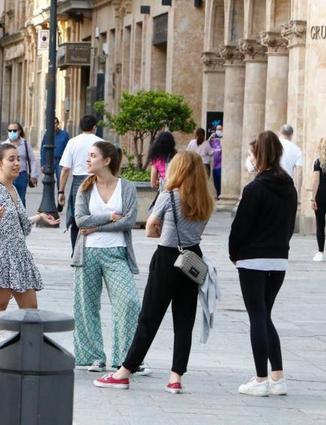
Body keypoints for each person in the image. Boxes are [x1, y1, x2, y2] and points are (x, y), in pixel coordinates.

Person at [94, 151, 214, 394]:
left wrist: (161, 231)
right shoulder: (205, 200)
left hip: (167, 258)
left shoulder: (169, 195)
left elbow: (150, 227)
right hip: (192, 259)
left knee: (149, 318)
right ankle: (175, 377)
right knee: (184, 321)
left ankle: (124, 371)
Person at [229, 130, 297, 397]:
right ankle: (277, 376)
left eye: (251, 154)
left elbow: (241, 227)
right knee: (265, 315)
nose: (249, 158)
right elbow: (289, 224)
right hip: (278, 259)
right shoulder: (289, 186)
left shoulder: (254, 188)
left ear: (259, 155)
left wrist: (234, 253)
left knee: (257, 315)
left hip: (253, 259)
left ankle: (260, 379)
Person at [70, 141, 141, 373]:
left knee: (129, 302)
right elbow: (80, 221)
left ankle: (125, 358)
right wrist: (110, 217)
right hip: (87, 252)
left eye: (92, 156)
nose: (88, 160)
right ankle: (92, 356)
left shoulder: (127, 187)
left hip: (117, 253)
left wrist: (98, 226)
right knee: (86, 306)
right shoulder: (84, 187)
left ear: (107, 160)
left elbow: (129, 221)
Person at [0, 144, 58, 347]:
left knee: (30, 310)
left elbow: (22, 227)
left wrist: (39, 217)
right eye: (11, 159)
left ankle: (25, 352)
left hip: (19, 255)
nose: (17, 163)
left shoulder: (14, 189)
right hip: (1, 254)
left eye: (18, 159)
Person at [58, 115, 103, 250]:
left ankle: (75, 251)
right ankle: (91, 248)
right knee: (94, 215)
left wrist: (61, 191)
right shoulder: (100, 143)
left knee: (76, 217)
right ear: (94, 127)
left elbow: (65, 169)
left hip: (77, 182)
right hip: (96, 181)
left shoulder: (73, 142)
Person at [2, 122, 40, 206]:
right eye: (10, 130)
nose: (12, 132)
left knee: (21, 200)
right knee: (8, 200)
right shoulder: (4, 145)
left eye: (14, 130)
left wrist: (33, 175)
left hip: (22, 175)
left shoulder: (25, 144)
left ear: (19, 131)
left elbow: (32, 160)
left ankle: (22, 218)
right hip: (8, 176)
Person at [41, 117, 71, 190]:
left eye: (55, 123)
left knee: (60, 182)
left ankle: (60, 197)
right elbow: (43, 149)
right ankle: (49, 199)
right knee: (47, 181)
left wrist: (68, 163)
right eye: (51, 124)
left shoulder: (64, 134)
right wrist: (42, 164)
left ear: (58, 124)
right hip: (49, 161)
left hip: (60, 161)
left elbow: (68, 149)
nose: (53, 125)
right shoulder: (47, 135)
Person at [279, 124, 303, 197]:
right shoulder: (297, 150)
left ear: (279, 132)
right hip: (286, 186)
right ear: (291, 135)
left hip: (269, 183)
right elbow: (299, 173)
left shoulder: (272, 145)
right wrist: (297, 195)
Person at [312, 137, 326, 262]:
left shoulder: (317, 162)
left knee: (320, 224)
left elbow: (316, 180)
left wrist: (313, 199)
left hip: (321, 196)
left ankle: (320, 252)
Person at [209, 125, 223, 199]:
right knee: (216, 182)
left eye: (220, 129)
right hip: (214, 165)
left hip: (221, 166)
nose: (218, 131)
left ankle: (220, 195)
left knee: (220, 181)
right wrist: (210, 138)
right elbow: (207, 145)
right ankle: (218, 195)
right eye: (217, 129)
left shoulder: (223, 140)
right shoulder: (213, 140)